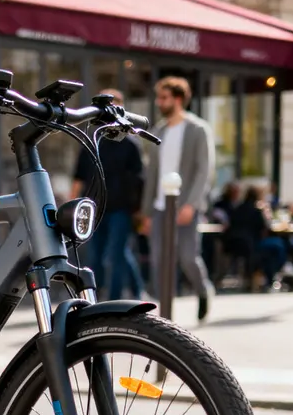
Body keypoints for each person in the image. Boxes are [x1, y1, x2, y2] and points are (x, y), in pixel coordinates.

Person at [140, 76, 215, 320]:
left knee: (187, 258)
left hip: (184, 206)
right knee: (159, 261)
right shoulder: (158, 131)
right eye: (158, 97)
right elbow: (151, 174)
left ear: (178, 99)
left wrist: (192, 204)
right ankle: (165, 315)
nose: (159, 102)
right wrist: (147, 212)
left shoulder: (198, 129)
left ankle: (203, 291)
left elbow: (204, 170)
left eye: (164, 97)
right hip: (160, 207)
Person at [71, 88, 146, 301]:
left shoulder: (131, 144)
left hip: (121, 209)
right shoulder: (92, 140)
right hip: (94, 208)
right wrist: (73, 205)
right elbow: (79, 176)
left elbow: (140, 180)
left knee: (115, 255)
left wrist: (140, 212)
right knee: (98, 256)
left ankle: (113, 300)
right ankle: (121, 292)